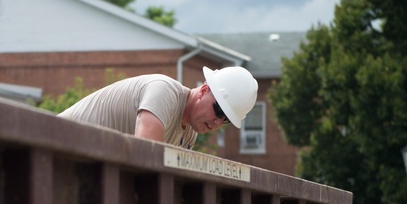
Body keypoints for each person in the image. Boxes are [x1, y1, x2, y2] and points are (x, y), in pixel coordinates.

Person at [57, 66, 259, 149]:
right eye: (218, 110)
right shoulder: (164, 92)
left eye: (225, 120)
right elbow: (144, 156)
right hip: (50, 148)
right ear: (205, 89)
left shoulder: (189, 133)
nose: (216, 122)